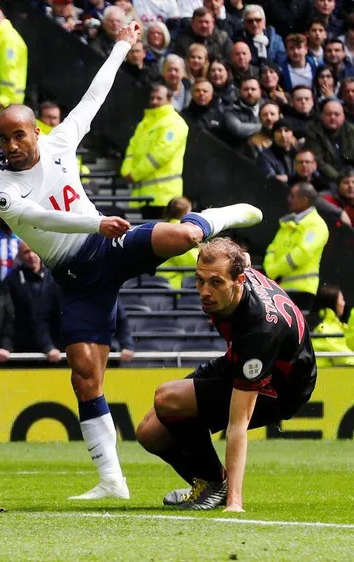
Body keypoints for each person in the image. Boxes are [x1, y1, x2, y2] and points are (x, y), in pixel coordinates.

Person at [0, 21, 264, 500]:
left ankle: (227, 214)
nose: (11, 146)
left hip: (108, 247)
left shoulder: (59, 143)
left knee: (182, 235)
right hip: (77, 275)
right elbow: (37, 217)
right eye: (3, 138)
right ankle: (112, 480)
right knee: (85, 375)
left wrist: (119, 47)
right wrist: (96, 222)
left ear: (36, 131)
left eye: (18, 136)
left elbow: (94, 97)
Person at [135, 238, 317, 511]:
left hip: (280, 387)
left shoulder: (259, 331)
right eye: (200, 280)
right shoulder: (237, 267)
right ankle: (210, 483)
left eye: (216, 283)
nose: (205, 291)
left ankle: (218, 487)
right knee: (150, 432)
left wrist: (235, 503)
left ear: (239, 280)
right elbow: (239, 253)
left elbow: (238, 425)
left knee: (168, 398)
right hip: (238, 359)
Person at [120, 85, 189, 219]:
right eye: (152, 98)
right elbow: (132, 148)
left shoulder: (174, 122)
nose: (154, 101)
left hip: (165, 195)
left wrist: (134, 174)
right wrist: (126, 171)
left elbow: (161, 154)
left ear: (169, 100)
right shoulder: (145, 123)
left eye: (159, 98)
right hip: (145, 193)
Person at [262, 183, 329, 312]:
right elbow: (272, 248)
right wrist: (270, 269)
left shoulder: (316, 224)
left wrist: (273, 270)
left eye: (292, 196)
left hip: (301, 290)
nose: (288, 199)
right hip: (279, 287)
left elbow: (302, 253)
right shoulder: (288, 222)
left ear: (304, 200)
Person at [309, 286, 354, 367]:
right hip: (323, 373)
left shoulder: (335, 326)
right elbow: (344, 358)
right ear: (333, 303)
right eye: (341, 300)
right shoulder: (326, 330)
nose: (343, 303)